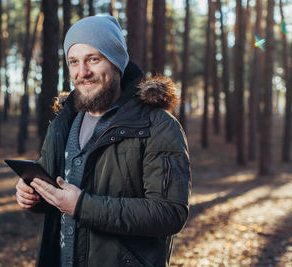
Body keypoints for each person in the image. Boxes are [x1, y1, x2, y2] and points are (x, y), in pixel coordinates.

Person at [16, 15, 191, 267]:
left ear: (117, 62)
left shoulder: (156, 126)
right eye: (73, 62)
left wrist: (82, 206)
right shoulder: (63, 123)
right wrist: (33, 194)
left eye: (93, 59)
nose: (82, 72)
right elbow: (56, 189)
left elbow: (169, 213)